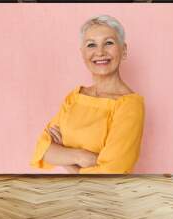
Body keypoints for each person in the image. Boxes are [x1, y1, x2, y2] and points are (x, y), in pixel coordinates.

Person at [30, 15, 145, 174]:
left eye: (109, 43)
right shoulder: (74, 97)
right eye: (91, 45)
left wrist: (65, 158)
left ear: (123, 50)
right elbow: (42, 148)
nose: (100, 52)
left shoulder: (130, 105)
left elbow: (110, 172)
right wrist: (81, 157)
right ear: (82, 53)